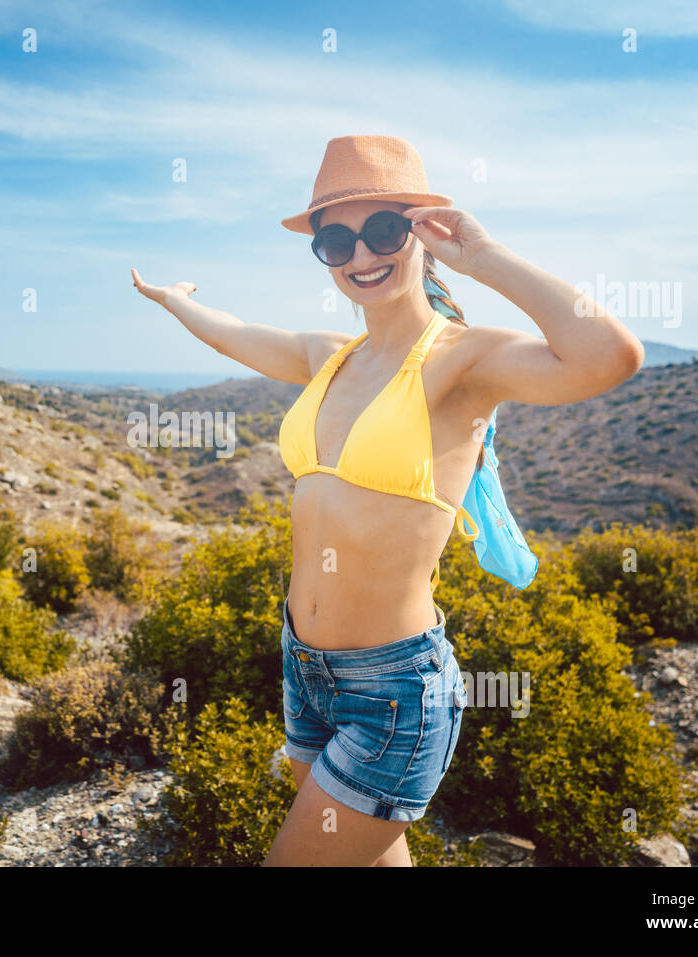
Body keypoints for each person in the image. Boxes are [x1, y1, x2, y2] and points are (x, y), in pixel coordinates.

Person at [130, 135, 644, 866]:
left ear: (420, 232)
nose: (360, 255)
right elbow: (234, 337)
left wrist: (484, 256)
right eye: (336, 239)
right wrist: (179, 303)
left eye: (382, 230)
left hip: (394, 691)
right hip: (304, 669)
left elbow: (609, 356)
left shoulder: (460, 359)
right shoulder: (329, 356)